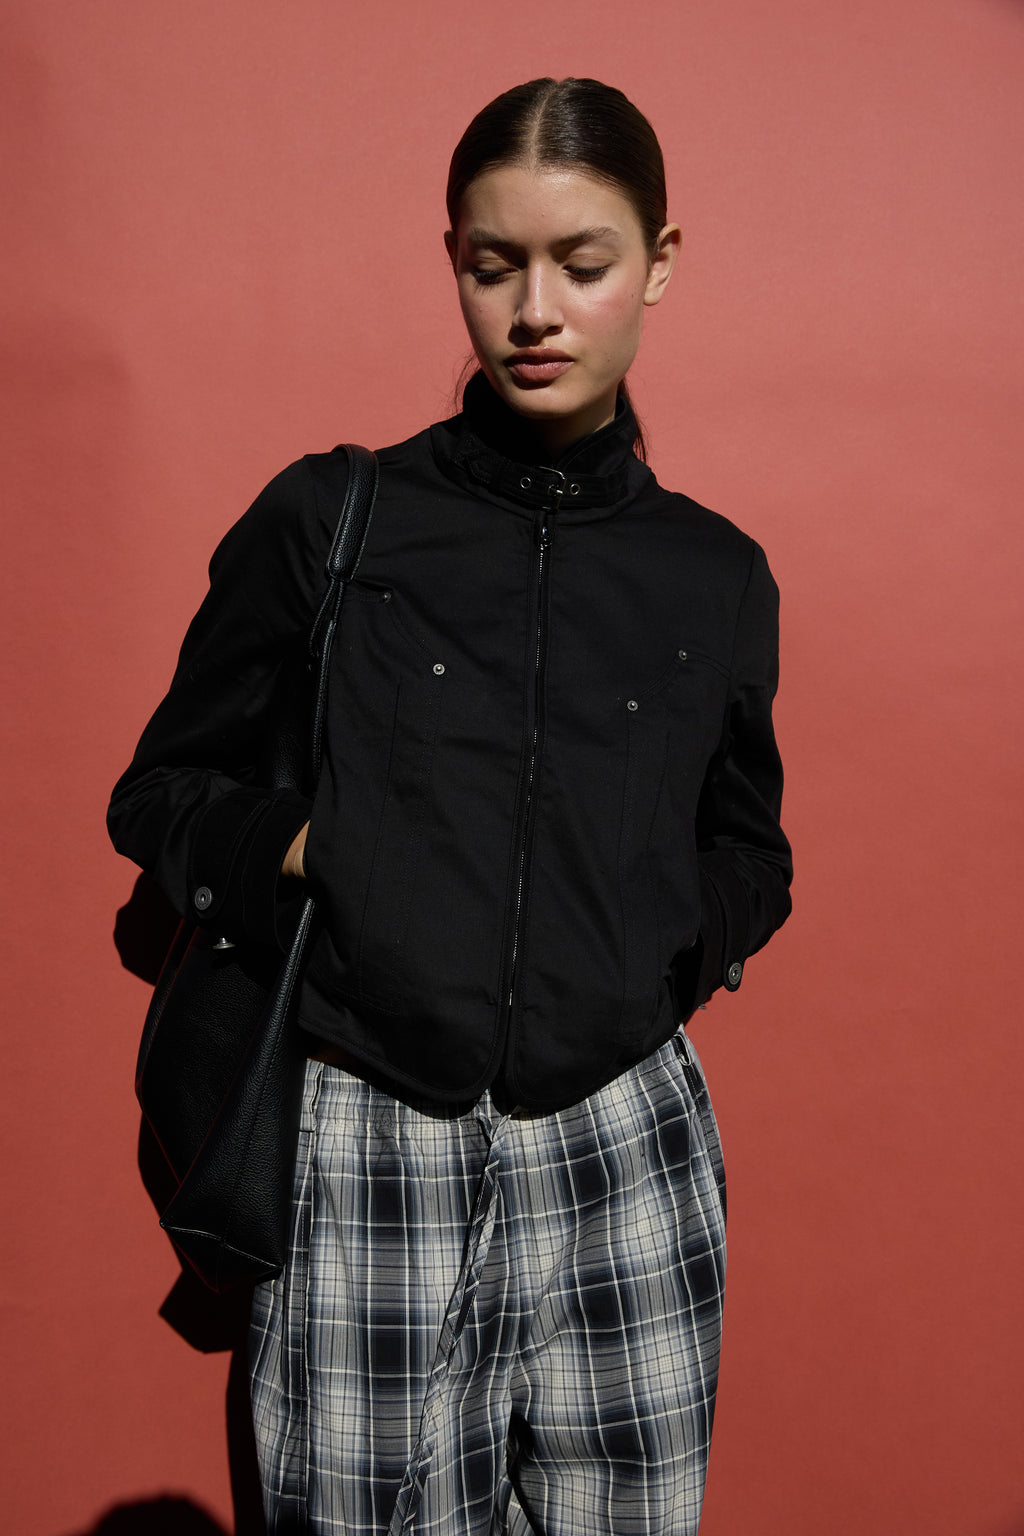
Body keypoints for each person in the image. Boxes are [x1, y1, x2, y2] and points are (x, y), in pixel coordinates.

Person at [108, 76, 792, 1536]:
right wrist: (309, 851)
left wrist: (674, 940)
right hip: (373, 1148)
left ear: (660, 263)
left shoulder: (715, 574)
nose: (535, 310)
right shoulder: (332, 520)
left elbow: (750, 845)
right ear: (454, 265)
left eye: (583, 264)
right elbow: (157, 793)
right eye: (495, 266)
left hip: (627, 1154)